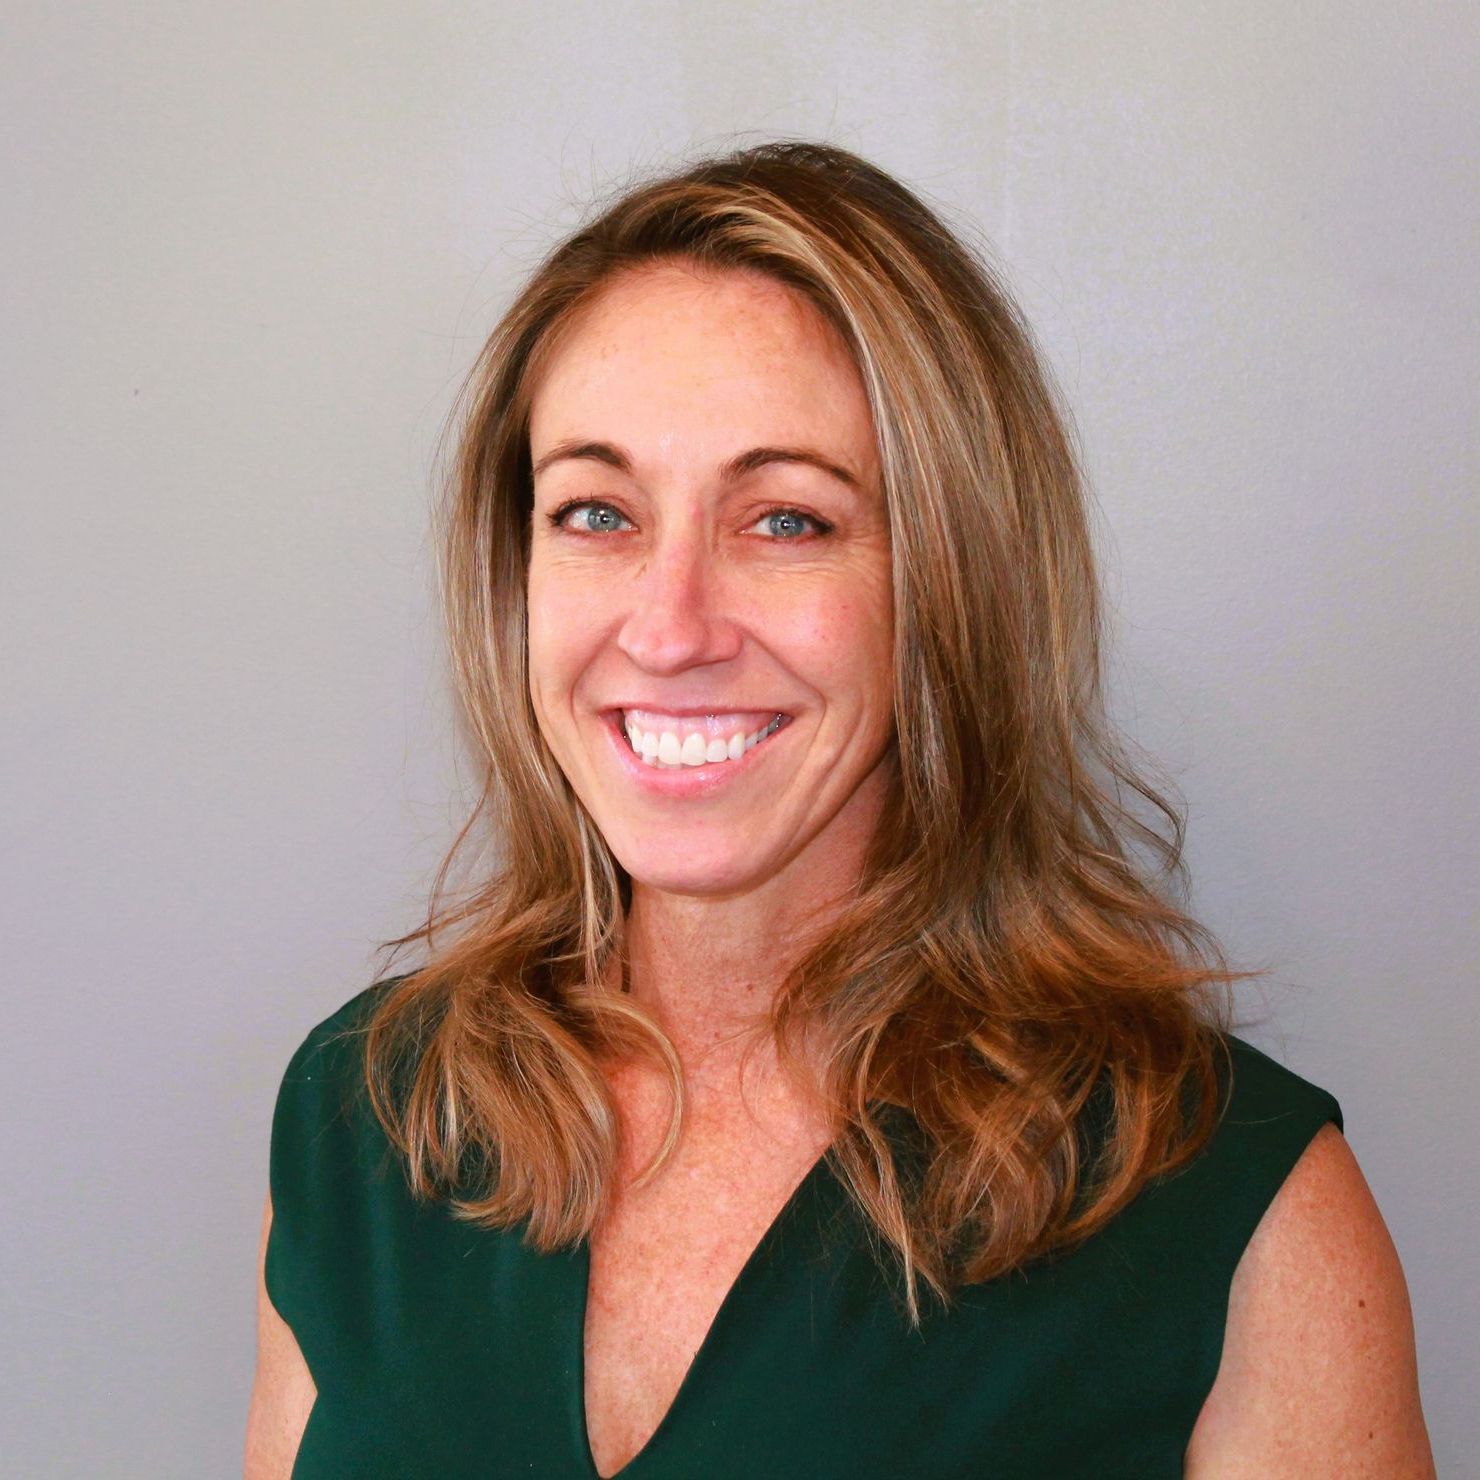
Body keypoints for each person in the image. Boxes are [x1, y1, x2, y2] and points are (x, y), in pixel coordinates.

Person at [244, 140, 1433, 1477]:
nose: (669, 624)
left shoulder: (1232, 1216)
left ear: (951, 580)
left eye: (786, 522)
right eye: (595, 511)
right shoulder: (366, 1120)